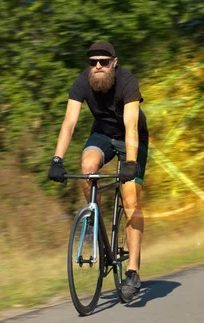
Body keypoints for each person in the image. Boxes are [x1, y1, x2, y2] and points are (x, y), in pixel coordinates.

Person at [48, 41, 149, 300]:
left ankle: (133, 271)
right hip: (102, 134)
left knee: (130, 201)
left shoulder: (127, 81)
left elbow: (131, 126)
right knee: (87, 165)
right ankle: (93, 223)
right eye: (93, 62)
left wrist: (130, 163)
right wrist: (57, 159)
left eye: (104, 61)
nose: (98, 66)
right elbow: (69, 122)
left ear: (114, 62)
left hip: (131, 139)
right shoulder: (82, 81)